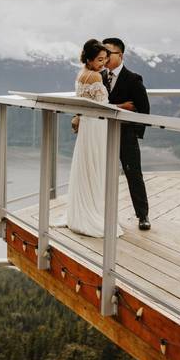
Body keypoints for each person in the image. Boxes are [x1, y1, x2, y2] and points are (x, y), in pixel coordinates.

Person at [56, 39, 123, 238]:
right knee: (97, 165)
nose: (103, 63)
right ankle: (93, 211)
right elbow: (103, 103)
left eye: (105, 59)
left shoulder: (80, 75)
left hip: (86, 124)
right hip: (97, 125)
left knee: (86, 164)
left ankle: (82, 209)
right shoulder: (95, 77)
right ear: (90, 58)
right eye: (100, 59)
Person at [101, 37, 151, 230]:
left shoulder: (133, 79)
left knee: (134, 175)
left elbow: (144, 109)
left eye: (108, 53)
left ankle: (143, 215)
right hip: (103, 134)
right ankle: (103, 214)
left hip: (126, 136)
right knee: (102, 174)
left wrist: (134, 134)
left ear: (119, 55)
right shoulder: (100, 77)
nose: (104, 57)